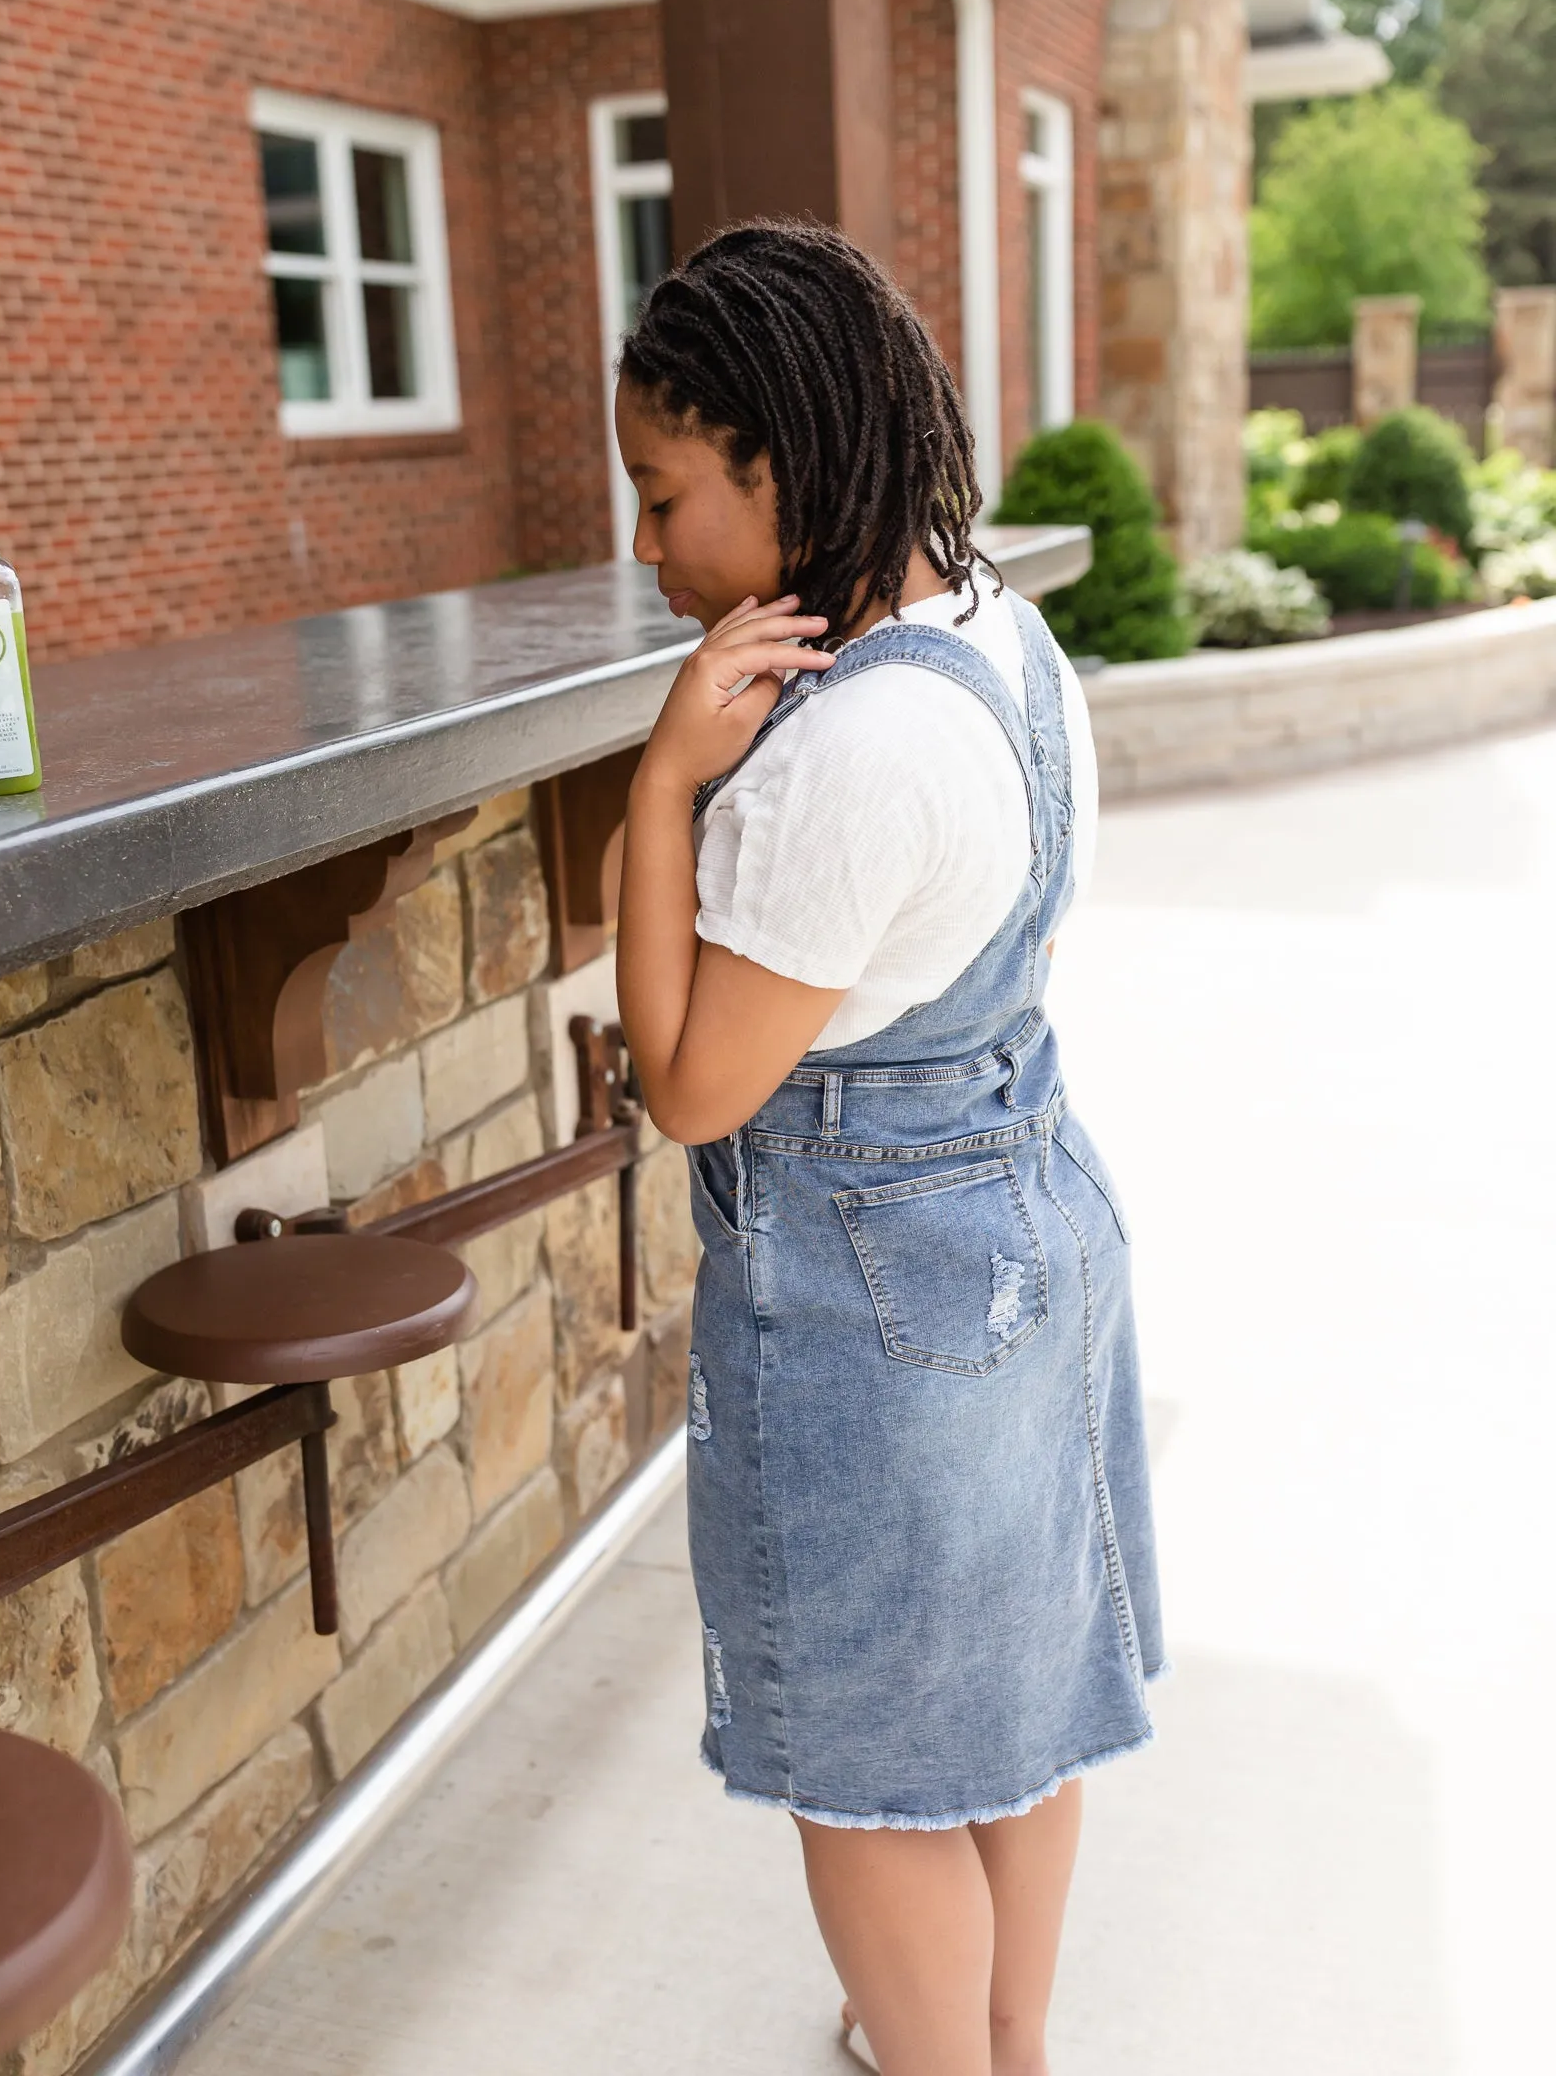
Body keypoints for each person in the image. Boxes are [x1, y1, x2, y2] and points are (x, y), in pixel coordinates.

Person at [615, 220, 1164, 2076]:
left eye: (665, 492)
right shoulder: (1002, 638)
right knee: (1012, 1707)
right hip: (1026, 1224)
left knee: (868, 1771)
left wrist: (662, 786)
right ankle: (1001, 2043)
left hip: (874, 1289)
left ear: (774, 456)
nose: (646, 547)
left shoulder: (842, 760)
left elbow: (689, 1083)